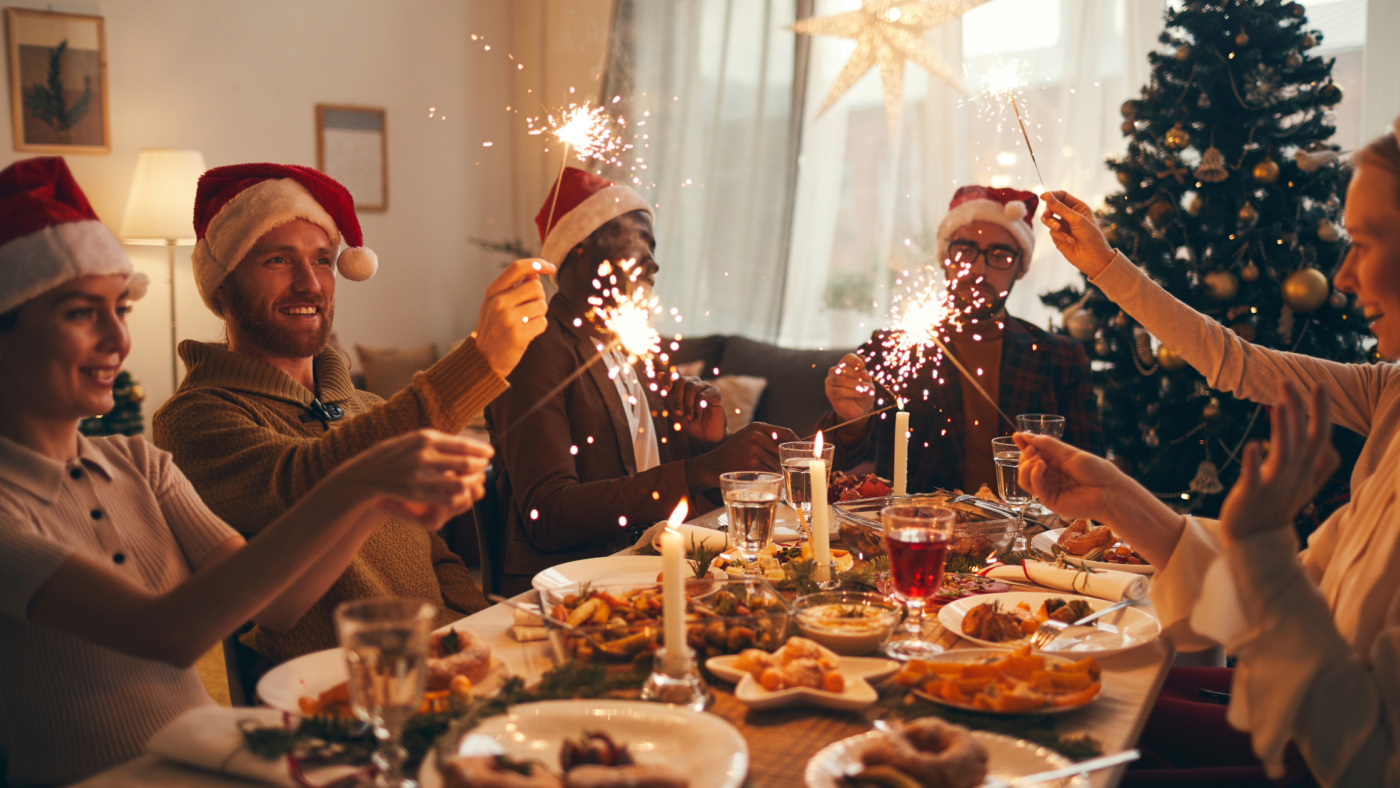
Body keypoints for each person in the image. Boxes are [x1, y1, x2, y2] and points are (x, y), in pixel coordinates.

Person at [0, 157, 487, 785]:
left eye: (118, 308)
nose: (117, 340)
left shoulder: (137, 463)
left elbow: (280, 603)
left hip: (218, 758)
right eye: (79, 313)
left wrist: (373, 498)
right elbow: (169, 633)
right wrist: (363, 480)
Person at [1018, 122, 1400, 785]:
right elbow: (1237, 364)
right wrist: (1111, 495)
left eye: (1364, 243)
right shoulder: (1390, 395)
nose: (1340, 276)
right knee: (1045, 706)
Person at [151, 163, 552, 671]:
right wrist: (478, 363)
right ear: (222, 285)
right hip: (342, 700)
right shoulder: (195, 418)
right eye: (278, 260)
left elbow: (437, 558)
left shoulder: (368, 408)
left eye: (322, 260)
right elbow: (308, 478)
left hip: (453, 674)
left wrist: (480, 633)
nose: (310, 284)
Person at [486, 167, 798, 592]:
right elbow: (549, 515)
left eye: (653, 247)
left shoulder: (628, 351)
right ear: (579, 249)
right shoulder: (536, 346)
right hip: (574, 590)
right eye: (637, 244)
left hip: (647, 573)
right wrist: (703, 468)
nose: (652, 262)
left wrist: (710, 443)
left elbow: (659, 490)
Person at [819, 185, 1102, 493]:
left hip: (1031, 536)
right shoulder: (894, 350)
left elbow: (1090, 473)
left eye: (999, 254)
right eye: (965, 250)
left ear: (1021, 266)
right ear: (944, 256)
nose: (978, 269)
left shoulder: (1060, 359)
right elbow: (838, 461)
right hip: (919, 532)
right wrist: (853, 421)